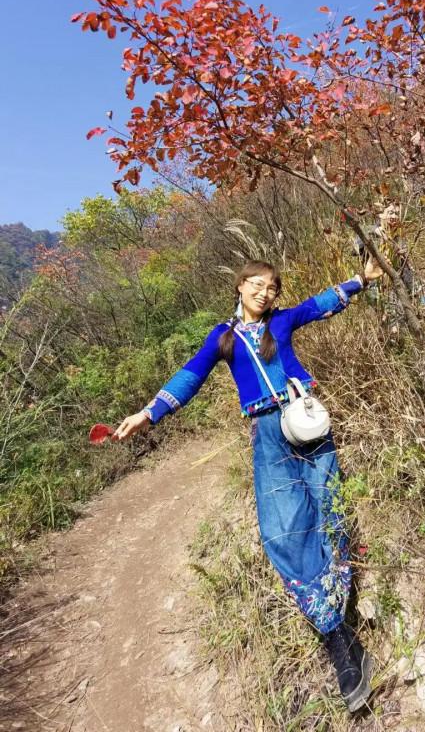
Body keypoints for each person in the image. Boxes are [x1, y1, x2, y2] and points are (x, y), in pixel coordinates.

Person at [114, 258, 383, 712]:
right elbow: (191, 374)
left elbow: (319, 304)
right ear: (239, 287)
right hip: (268, 436)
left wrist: (361, 280)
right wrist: (148, 413)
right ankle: (341, 642)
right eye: (256, 285)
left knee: (329, 509)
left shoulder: (282, 320)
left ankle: (347, 622)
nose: (264, 293)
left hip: (307, 421)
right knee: (282, 532)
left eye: (271, 287)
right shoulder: (223, 338)